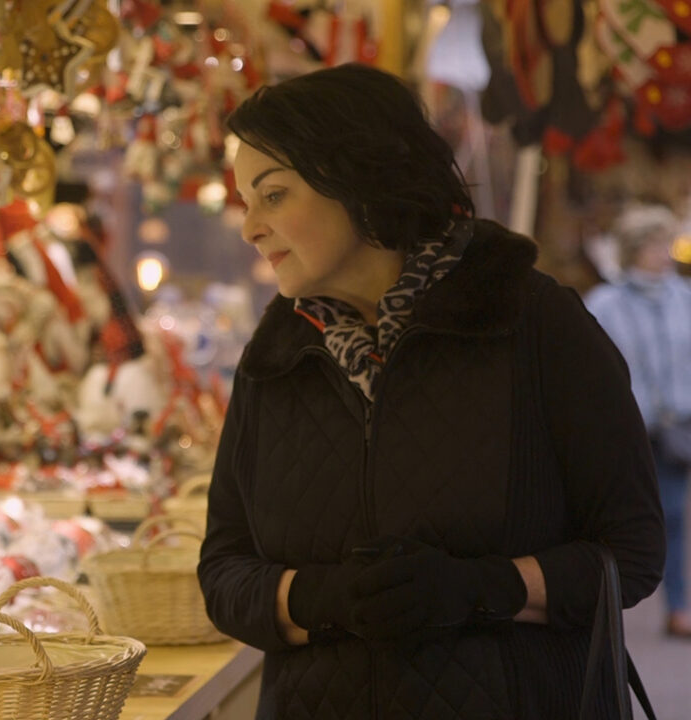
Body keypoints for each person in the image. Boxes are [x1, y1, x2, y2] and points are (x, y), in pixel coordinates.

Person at [197, 63, 665, 720]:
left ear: (359, 179)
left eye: (272, 195)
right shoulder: (276, 357)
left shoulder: (533, 323)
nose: (250, 226)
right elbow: (223, 570)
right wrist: (319, 599)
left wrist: (481, 588)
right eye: (247, 200)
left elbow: (632, 553)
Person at [585, 203, 691, 638]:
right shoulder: (604, 303)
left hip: (676, 427)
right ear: (632, 249)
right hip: (624, 428)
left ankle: (678, 606)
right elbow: (590, 367)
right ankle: (604, 603)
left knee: (673, 515)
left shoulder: (684, 298)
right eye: (652, 245)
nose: (662, 253)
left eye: (665, 243)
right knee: (617, 517)